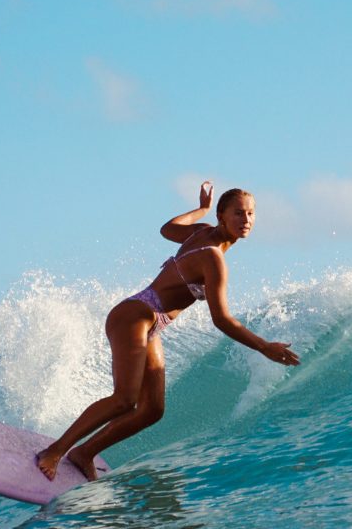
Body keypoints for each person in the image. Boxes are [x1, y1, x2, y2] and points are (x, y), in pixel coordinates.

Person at [34, 183, 300, 481]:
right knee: (124, 399)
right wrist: (264, 347)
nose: (246, 220)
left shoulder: (201, 231)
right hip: (135, 315)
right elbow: (222, 319)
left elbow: (168, 228)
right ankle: (55, 450)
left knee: (152, 409)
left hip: (151, 322)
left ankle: (84, 453)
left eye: (251, 213)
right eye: (238, 213)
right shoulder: (213, 257)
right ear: (221, 215)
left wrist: (200, 209)